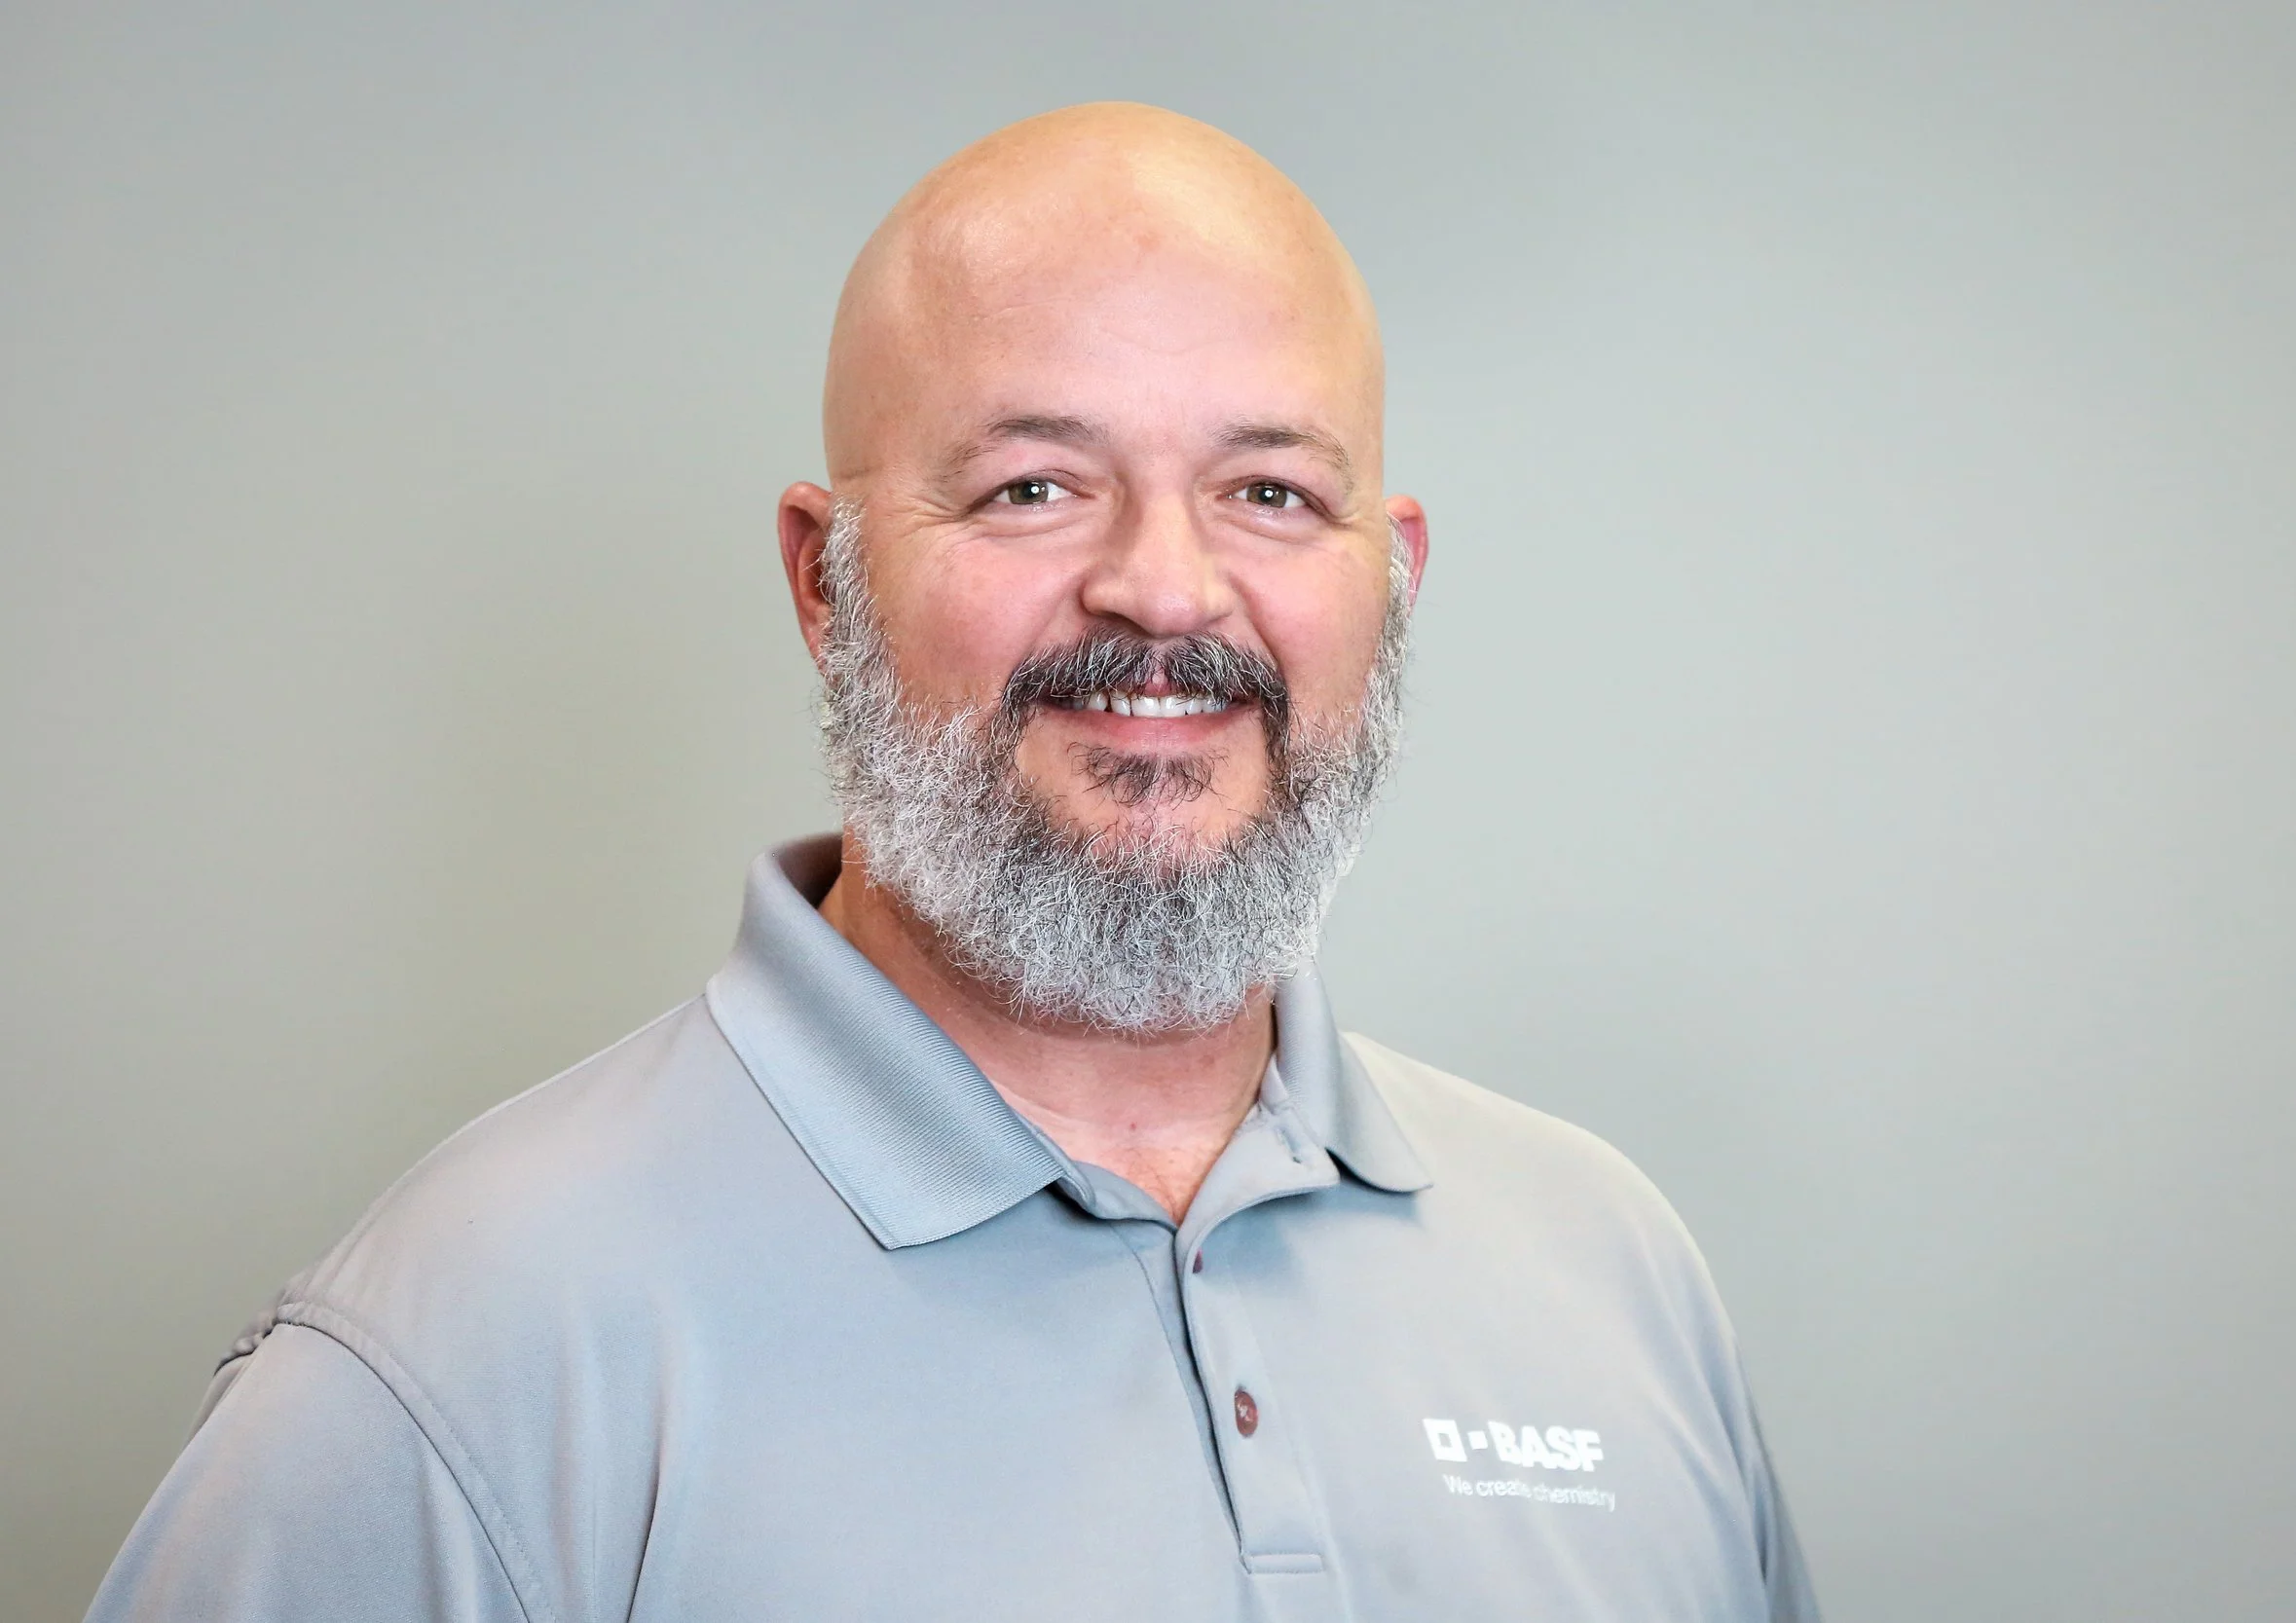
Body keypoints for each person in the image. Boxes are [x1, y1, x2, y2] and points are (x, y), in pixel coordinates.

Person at [88, 102, 1819, 1622]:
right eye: (1033, 488)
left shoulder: (1612, 1270)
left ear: (1397, 576)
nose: (1167, 588)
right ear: (824, 579)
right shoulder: (461, 1361)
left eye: (1272, 493)